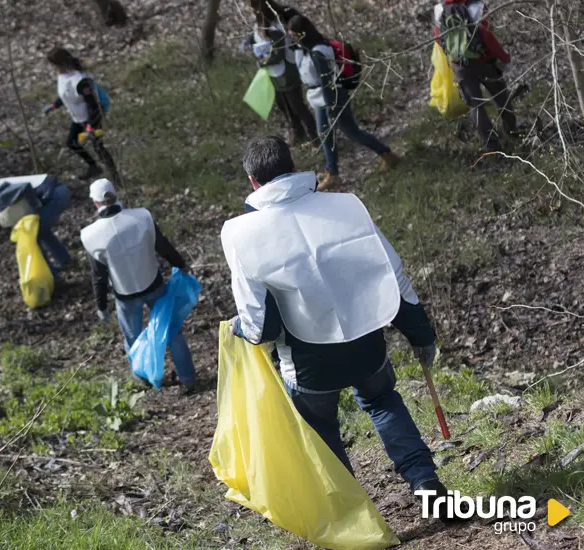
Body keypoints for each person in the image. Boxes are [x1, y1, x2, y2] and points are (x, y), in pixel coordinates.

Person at [221, 137, 457, 518]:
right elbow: (391, 271)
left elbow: (260, 326)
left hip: (308, 359)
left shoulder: (238, 232)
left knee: (321, 428)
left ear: (252, 182)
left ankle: (355, 518)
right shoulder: (346, 205)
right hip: (367, 340)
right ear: (292, 164)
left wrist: (240, 329)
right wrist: (419, 332)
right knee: (383, 402)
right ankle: (426, 483)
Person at [81, 179, 197, 393]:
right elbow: (162, 245)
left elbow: (99, 275)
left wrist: (101, 305)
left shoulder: (90, 235)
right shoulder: (141, 217)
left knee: (133, 340)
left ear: (95, 203)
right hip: (154, 284)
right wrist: (181, 264)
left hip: (125, 295)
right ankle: (189, 378)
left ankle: (143, 379)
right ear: (115, 195)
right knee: (172, 331)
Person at [286, 15, 399, 191]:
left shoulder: (318, 52)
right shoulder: (307, 49)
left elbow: (326, 83)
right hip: (321, 99)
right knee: (326, 134)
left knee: (351, 132)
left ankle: (386, 154)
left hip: (332, 97)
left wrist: (332, 109)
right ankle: (333, 173)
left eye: (294, 35)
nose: (292, 39)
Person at [433, 0, 517, 153]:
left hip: (461, 67)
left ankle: (491, 145)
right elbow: (487, 36)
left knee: (476, 106)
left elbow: (438, 37)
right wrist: (503, 57)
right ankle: (512, 131)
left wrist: (455, 56)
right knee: (500, 97)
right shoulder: (478, 7)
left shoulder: (439, 10)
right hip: (485, 63)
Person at [242, 0, 317, 146]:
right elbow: (256, 35)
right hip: (273, 75)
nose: (252, 10)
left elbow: (279, 54)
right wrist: (248, 41)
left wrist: (263, 63)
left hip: (287, 73)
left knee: (297, 106)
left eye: (254, 8)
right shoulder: (261, 25)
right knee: (284, 106)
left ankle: (315, 137)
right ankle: (298, 133)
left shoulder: (276, 27)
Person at [0, 174, 73, 275]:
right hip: (56, 191)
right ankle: (65, 262)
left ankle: (51, 275)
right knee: (40, 232)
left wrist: (35, 207)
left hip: (55, 194)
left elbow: (25, 187)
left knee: (34, 235)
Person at [41, 48, 120, 183]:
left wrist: (91, 125)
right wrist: (54, 105)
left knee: (98, 147)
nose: (52, 68)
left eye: (53, 65)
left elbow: (94, 105)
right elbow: (67, 96)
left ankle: (116, 178)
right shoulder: (63, 77)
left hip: (91, 116)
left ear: (60, 64)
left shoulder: (80, 81)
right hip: (78, 118)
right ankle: (93, 167)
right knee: (71, 143)